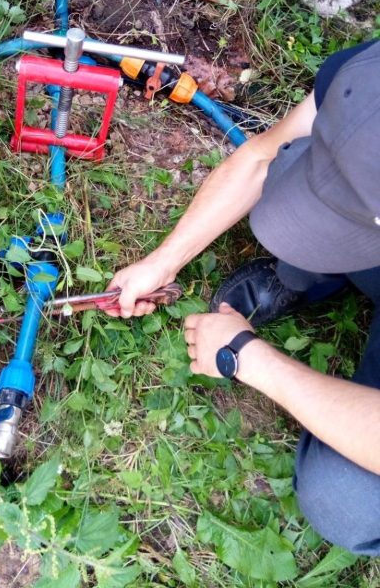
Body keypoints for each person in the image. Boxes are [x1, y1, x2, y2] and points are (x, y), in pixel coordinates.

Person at [107, 40, 380, 555]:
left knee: (344, 500)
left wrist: (246, 357)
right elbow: (262, 156)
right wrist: (161, 263)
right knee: (298, 167)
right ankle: (324, 267)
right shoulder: (370, 76)